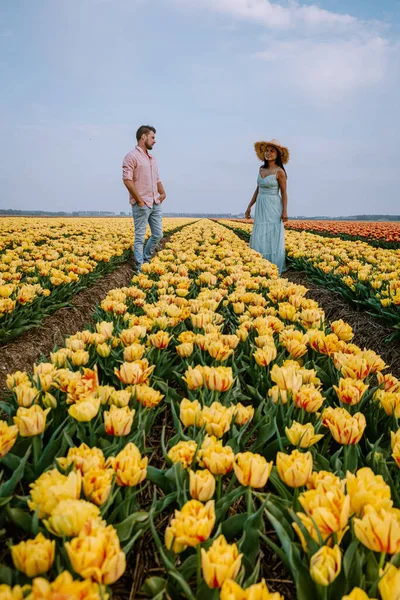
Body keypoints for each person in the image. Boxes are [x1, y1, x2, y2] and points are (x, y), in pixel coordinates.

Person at [122, 125, 166, 271]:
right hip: (142, 204)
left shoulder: (153, 158)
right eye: (152, 137)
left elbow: (157, 178)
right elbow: (127, 180)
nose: (155, 141)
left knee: (158, 234)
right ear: (143, 137)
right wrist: (139, 200)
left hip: (155, 202)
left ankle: (146, 258)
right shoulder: (131, 156)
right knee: (140, 237)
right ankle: (139, 268)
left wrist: (163, 193)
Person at [245, 138, 289, 274]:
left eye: (272, 151)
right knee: (259, 234)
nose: (268, 153)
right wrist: (249, 206)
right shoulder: (261, 169)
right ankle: (259, 266)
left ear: (278, 155)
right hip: (261, 205)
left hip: (273, 206)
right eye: (267, 151)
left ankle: (273, 268)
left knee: (272, 234)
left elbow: (284, 193)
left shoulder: (279, 171)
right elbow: (257, 189)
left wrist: (285, 211)